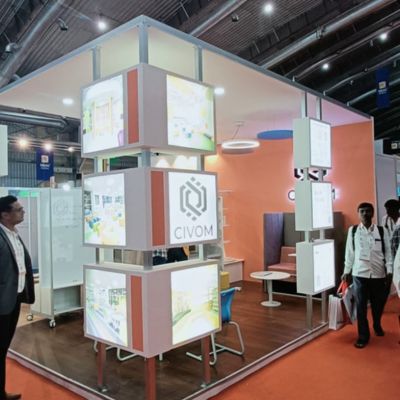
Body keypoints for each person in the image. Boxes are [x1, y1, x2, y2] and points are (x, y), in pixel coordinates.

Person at [342, 202, 392, 349]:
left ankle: (377, 323)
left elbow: (388, 252)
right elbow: (349, 253)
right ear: (358, 214)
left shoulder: (381, 231)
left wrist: (389, 270)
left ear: (372, 213)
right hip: (359, 274)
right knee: (361, 306)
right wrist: (346, 271)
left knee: (378, 304)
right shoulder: (353, 231)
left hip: (378, 274)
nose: (365, 214)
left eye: (368, 211)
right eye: (362, 211)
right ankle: (363, 336)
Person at [0, 196, 35, 400]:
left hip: (13, 301)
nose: (23, 212)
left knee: (3, 348)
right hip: (2, 303)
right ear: (5, 215)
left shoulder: (14, 234)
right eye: (19, 209)